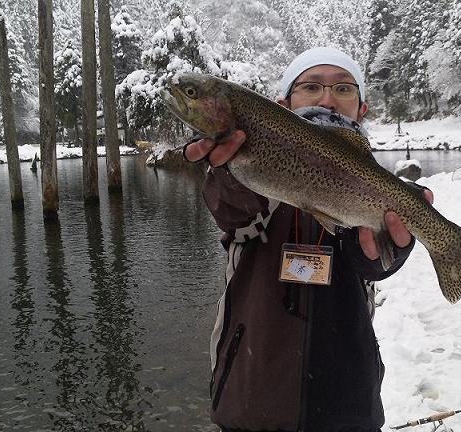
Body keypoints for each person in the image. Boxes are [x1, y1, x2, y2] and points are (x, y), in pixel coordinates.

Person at [184, 47, 433, 432]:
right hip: (253, 395)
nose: (327, 98)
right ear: (284, 103)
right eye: (311, 86)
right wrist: (227, 176)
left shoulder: (372, 185)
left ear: (362, 109)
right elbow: (234, 216)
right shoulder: (248, 162)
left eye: (344, 89)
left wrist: (391, 252)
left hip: (347, 400)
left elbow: (372, 264)